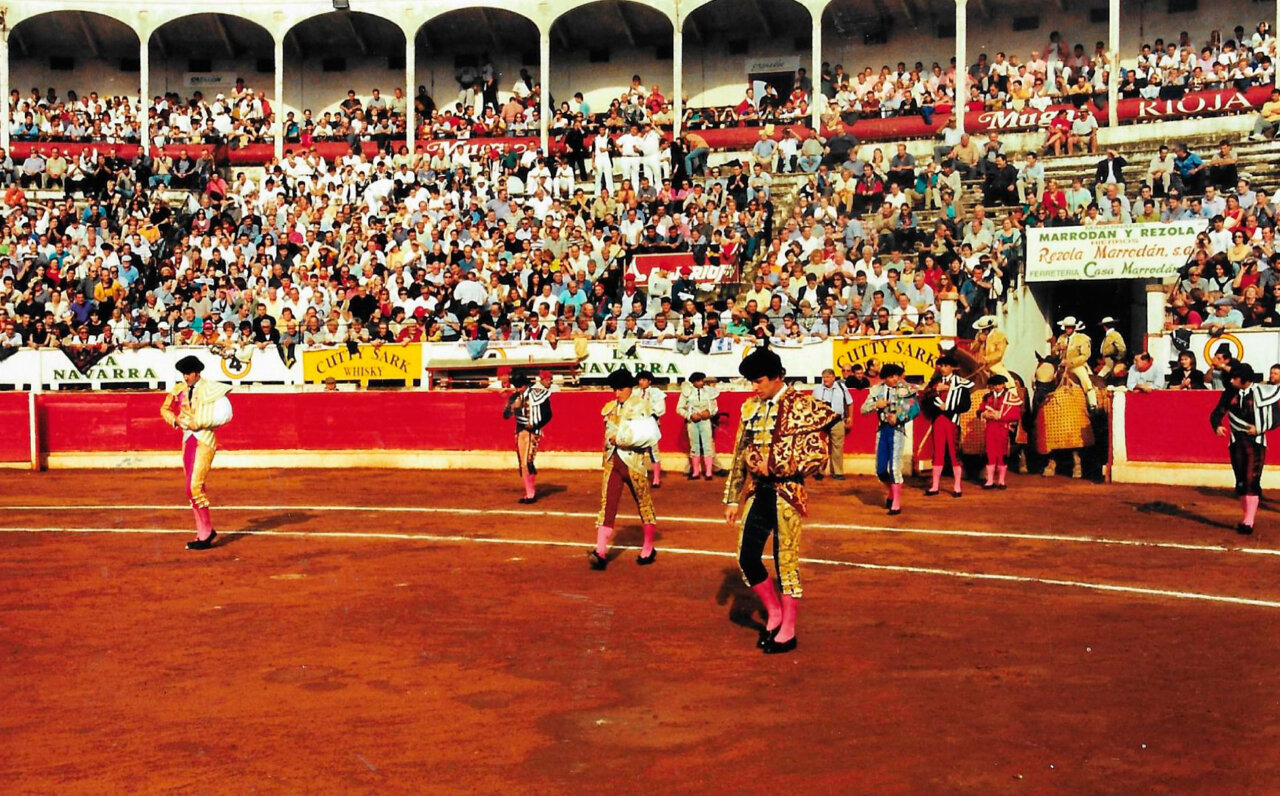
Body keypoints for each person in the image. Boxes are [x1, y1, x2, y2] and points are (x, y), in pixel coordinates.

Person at [723, 344, 839, 654]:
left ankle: (787, 629)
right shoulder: (751, 408)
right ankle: (774, 612)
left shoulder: (803, 405)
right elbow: (738, 453)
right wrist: (733, 498)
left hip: (788, 493)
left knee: (785, 561)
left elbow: (818, 457)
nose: (754, 387)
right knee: (747, 557)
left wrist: (775, 466)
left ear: (778, 378)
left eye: (759, 381)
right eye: (752, 381)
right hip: (759, 492)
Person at [159, 355, 233, 551]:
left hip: (205, 438)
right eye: (183, 374)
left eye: (188, 374)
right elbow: (164, 409)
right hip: (187, 439)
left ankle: (206, 532)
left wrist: (199, 423)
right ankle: (203, 532)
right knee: (190, 487)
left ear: (196, 373)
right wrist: (175, 419)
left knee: (194, 487)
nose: (185, 377)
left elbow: (226, 414)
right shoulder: (179, 389)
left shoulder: (213, 388)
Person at [591, 368, 660, 569]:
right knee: (607, 504)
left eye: (620, 389)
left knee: (644, 503)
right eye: (615, 389)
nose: (617, 393)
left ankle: (648, 546)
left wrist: (622, 439)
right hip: (613, 462)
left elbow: (650, 436)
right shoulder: (611, 407)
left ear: (629, 388)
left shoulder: (641, 406)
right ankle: (600, 550)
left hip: (634, 462)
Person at [1209, 362, 1280, 535]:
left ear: (1245, 380)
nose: (1232, 380)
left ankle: (1249, 521)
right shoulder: (1230, 393)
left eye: (1235, 377)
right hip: (1236, 440)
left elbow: (1277, 418)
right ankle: (1246, 517)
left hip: (1255, 441)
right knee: (1241, 480)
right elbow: (1217, 412)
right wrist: (1217, 425)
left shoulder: (1262, 392)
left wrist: (1260, 429)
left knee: (1251, 479)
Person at [860, 363, 918, 515]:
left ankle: (896, 504)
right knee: (880, 470)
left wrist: (899, 418)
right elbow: (863, 409)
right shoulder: (877, 390)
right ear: (884, 378)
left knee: (894, 467)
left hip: (897, 431)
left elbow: (914, 409)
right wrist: (875, 404)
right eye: (891, 376)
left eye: (896, 376)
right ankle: (892, 493)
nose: (895, 379)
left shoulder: (905, 390)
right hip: (882, 430)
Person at [923, 352, 973, 497]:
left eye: (946, 366)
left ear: (953, 368)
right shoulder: (935, 383)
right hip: (938, 420)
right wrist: (935, 391)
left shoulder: (961, 383)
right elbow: (925, 397)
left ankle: (957, 486)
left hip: (952, 420)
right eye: (941, 366)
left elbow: (965, 405)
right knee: (938, 452)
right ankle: (935, 486)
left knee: (954, 452)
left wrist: (950, 407)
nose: (943, 368)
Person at [502, 372, 553, 504]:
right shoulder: (514, 397)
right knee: (523, 464)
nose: (518, 389)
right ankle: (529, 493)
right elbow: (505, 415)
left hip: (532, 432)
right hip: (519, 432)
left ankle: (531, 494)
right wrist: (513, 407)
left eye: (520, 387)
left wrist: (536, 425)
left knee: (527, 462)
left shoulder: (538, 394)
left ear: (525, 385)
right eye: (516, 387)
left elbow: (548, 414)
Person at [978, 374, 1022, 490]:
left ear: (1003, 385)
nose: (997, 387)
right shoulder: (988, 397)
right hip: (990, 428)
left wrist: (1000, 416)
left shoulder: (1011, 397)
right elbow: (980, 410)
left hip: (1002, 428)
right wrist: (983, 414)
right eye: (995, 385)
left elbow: (1015, 414)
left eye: (999, 384)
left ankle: (1001, 481)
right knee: (990, 453)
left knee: (1002, 454)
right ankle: (990, 480)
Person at [811, 368, 854, 480]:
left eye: (828, 377)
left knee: (837, 446)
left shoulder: (841, 388)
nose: (825, 379)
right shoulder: (818, 390)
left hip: (837, 420)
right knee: (820, 446)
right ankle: (819, 471)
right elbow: (812, 406)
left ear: (833, 378)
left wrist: (850, 417)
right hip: (822, 420)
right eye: (824, 377)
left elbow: (850, 402)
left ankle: (837, 472)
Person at [676, 371, 719, 480]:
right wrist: (690, 415)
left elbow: (714, 407)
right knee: (694, 446)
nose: (702, 383)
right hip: (692, 422)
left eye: (702, 381)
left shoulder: (708, 392)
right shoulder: (687, 392)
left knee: (707, 445)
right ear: (694, 382)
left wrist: (709, 413)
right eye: (699, 381)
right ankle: (696, 472)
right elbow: (679, 408)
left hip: (705, 421)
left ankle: (708, 473)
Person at [1052, 316, 1098, 409]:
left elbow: (1085, 355)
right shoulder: (1061, 338)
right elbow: (1053, 353)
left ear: (1074, 328)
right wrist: (1058, 348)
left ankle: (1093, 403)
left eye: (1070, 327)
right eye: (1066, 327)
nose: (1068, 329)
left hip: (1077, 366)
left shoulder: (1082, 338)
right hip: (1062, 366)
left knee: (1085, 380)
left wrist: (1070, 362)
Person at [635, 370, 667, 488]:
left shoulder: (656, 392)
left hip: (651, 423)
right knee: (638, 451)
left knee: (653, 451)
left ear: (649, 381)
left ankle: (656, 479)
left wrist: (649, 414)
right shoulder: (635, 393)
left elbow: (661, 409)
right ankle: (639, 477)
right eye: (640, 380)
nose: (641, 382)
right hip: (638, 424)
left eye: (644, 380)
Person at [971, 315, 1010, 380]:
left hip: (995, 365)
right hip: (980, 366)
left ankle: (1013, 389)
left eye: (985, 329)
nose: (983, 331)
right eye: (982, 329)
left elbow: (999, 353)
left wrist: (986, 359)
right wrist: (979, 341)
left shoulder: (1000, 336)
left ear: (990, 328)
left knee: (1008, 380)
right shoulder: (978, 336)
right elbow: (973, 349)